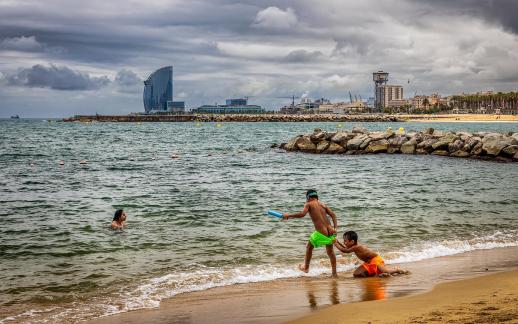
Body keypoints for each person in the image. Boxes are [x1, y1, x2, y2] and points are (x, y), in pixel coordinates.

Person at [283, 189, 338, 277]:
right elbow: (333, 215)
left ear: (308, 197)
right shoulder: (323, 204)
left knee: (309, 247)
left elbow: (302, 214)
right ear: (317, 197)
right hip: (331, 230)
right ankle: (334, 273)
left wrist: (289, 216)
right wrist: (335, 228)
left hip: (321, 232)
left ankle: (306, 268)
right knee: (330, 252)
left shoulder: (308, 204)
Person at [333, 231, 407, 277]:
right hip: (368, 262)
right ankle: (374, 275)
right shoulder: (353, 246)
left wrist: (335, 243)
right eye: (343, 241)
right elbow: (345, 248)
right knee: (356, 274)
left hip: (375, 260)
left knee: (386, 272)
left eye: (345, 241)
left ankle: (397, 270)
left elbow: (345, 251)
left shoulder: (357, 247)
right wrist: (337, 242)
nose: (344, 242)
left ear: (352, 242)